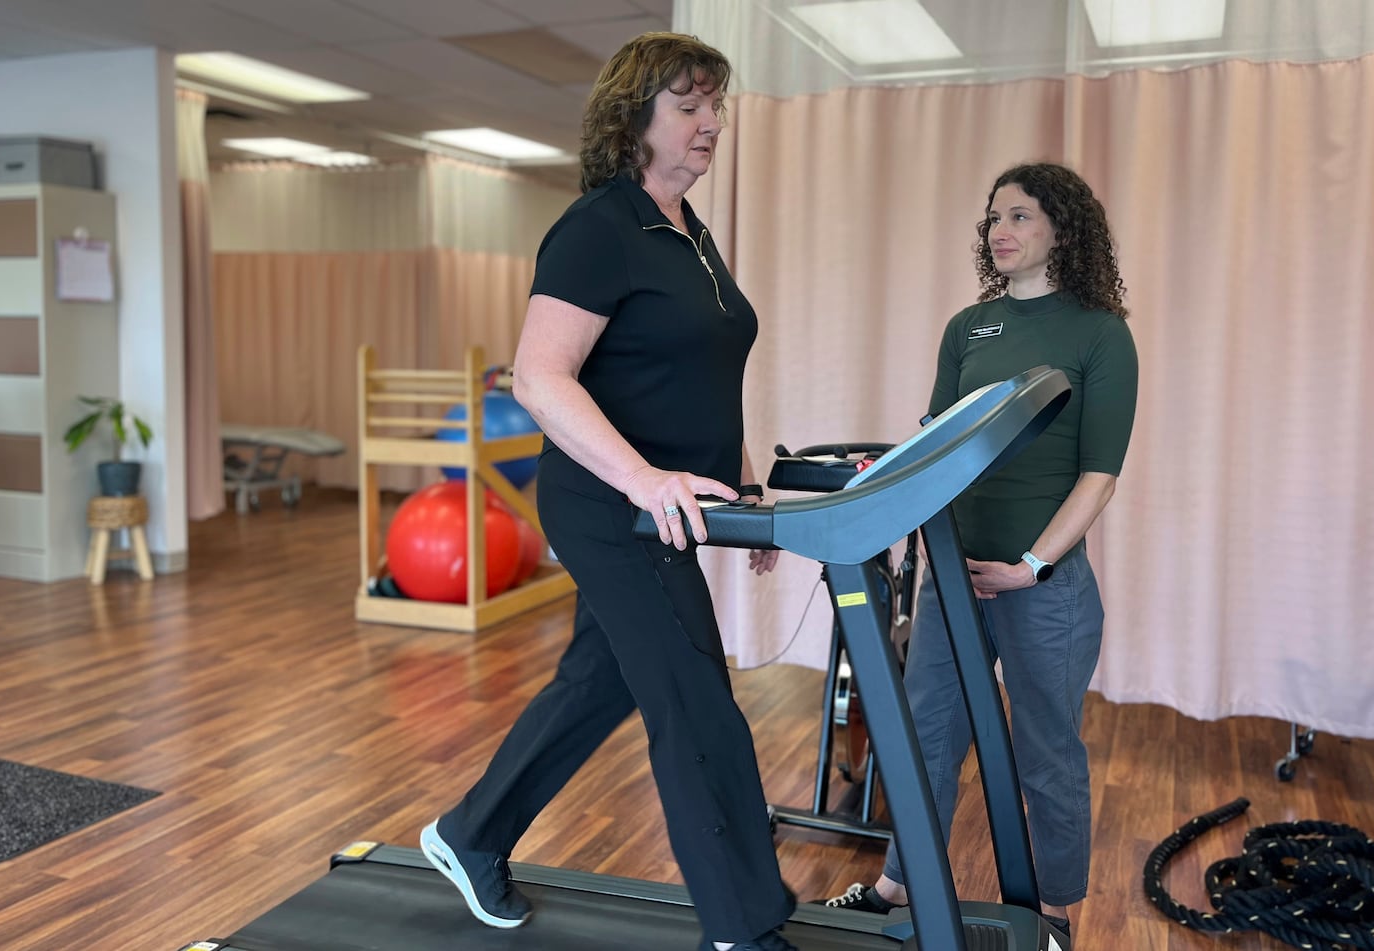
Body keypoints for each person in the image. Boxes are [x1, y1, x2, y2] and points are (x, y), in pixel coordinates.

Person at [418, 32, 799, 951]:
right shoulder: (599, 227)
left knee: (601, 681)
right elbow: (540, 379)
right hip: (608, 506)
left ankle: (471, 834)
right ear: (636, 121)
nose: (712, 123)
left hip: (665, 506)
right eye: (689, 106)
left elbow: (706, 377)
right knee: (695, 700)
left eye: (715, 106)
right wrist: (642, 477)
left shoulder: (689, 233)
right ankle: (744, 928)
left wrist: (741, 497)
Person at [821, 162, 1139, 942]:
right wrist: (885, 496)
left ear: (1062, 229)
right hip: (953, 577)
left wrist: (1034, 565)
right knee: (926, 733)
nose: (1000, 229)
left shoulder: (1101, 334)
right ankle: (896, 885)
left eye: (1021, 216)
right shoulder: (970, 328)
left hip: (1042, 587)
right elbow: (933, 444)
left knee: (1046, 752)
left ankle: (1053, 915)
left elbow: (1101, 475)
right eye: (994, 217)